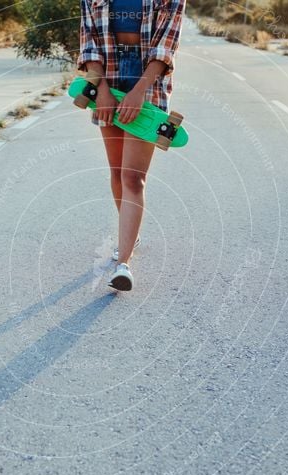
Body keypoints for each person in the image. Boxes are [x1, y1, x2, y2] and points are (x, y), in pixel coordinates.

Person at [77, 0, 185, 291]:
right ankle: (130, 235)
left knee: (132, 177)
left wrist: (139, 91)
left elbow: (165, 47)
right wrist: (100, 90)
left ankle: (123, 262)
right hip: (108, 79)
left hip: (148, 82)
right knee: (116, 172)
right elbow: (89, 44)